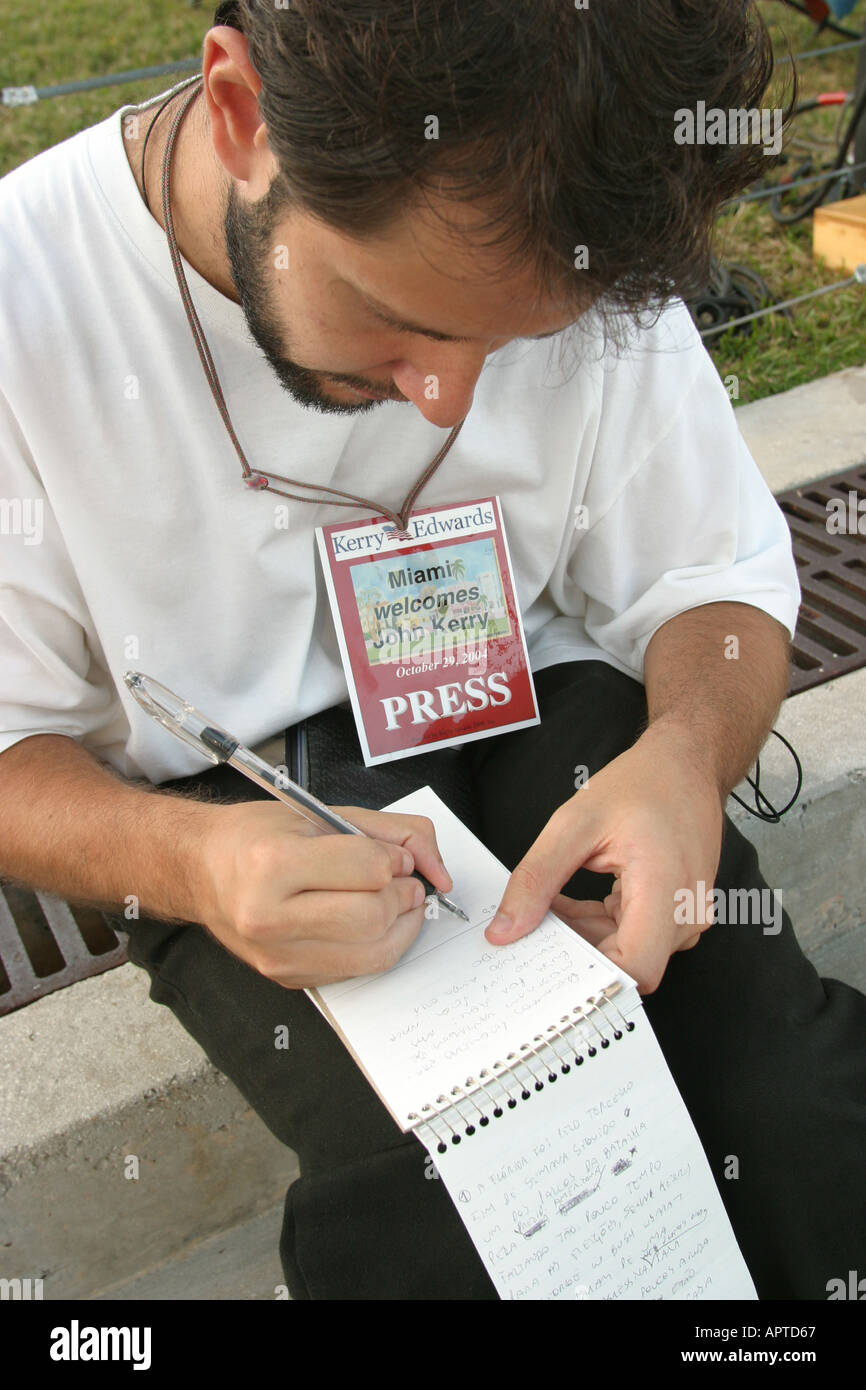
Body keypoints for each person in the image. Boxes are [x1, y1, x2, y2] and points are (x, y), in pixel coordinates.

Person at [0, 1, 863, 1300]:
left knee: (797, 1117)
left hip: (539, 701)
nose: (448, 397)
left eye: (510, 342)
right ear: (240, 112)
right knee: (455, 1220)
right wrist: (188, 861)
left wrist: (686, 755)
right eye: (394, 315)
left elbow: (714, 576)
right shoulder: (26, 305)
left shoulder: (577, 208)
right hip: (225, 800)